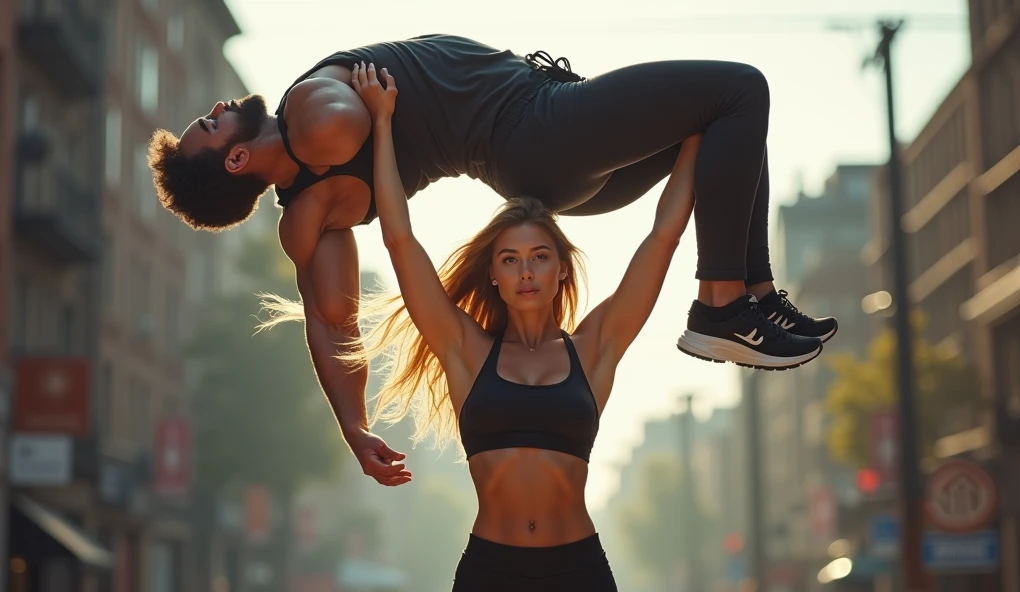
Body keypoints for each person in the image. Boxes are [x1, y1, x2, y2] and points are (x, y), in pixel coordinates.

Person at [148, 34, 836, 487]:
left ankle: (752, 296)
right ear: (236, 159)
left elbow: (331, 325)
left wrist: (355, 430)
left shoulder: (309, 217)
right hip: (539, 126)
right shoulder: (306, 112)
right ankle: (722, 303)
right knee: (740, 89)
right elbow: (343, 124)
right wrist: (373, 119)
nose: (216, 108)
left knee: (722, 131)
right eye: (210, 125)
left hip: (540, 170)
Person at [347, 61, 704, 590]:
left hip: (578, 570)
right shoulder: (465, 349)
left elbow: (662, 238)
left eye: (539, 256)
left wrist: (698, 131)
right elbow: (400, 240)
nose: (526, 271)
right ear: (493, 274)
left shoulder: (595, 347)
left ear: (561, 268)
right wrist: (382, 125)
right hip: (491, 571)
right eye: (510, 259)